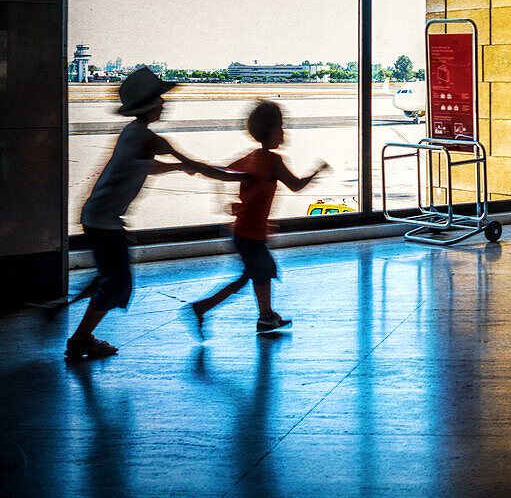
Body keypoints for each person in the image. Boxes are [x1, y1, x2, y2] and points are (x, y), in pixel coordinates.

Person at [65, 66, 246, 360]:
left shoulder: (134, 134)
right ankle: (80, 340)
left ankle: (81, 333)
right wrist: (240, 178)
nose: (164, 104)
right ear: (149, 105)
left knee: (112, 278)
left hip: (99, 218)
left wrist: (177, 167)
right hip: (104, 221)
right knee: (117, 283)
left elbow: (146, 165)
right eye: (160, 100)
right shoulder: (150, 139)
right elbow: (198, 166)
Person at [187, 100, 328, 339]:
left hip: (245, 232)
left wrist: (224, 199)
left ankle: (265, 316)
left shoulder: (251, 157)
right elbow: (295, 185)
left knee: (255, 275)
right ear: (270, 130)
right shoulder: (273, 161)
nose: (283, 132)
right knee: (257, 273)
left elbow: (224, 173)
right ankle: (206, 308)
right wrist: (317, 171)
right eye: (280, 127)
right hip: (250, 234)